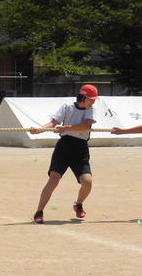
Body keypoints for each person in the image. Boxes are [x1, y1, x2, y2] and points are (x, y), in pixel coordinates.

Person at [29, 84, 98, 223]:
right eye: (90, 99)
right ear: (82, 97)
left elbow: (86, 125)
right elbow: (54, 122)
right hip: (64, 146)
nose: (92, 102)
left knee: (87, 182)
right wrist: (40, 130)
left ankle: (78, 204)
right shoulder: (68, 107)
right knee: (54, 179)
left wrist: (67, 127)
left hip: (80, 148)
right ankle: (39, 212)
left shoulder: (91, 109)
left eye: (94, 100)